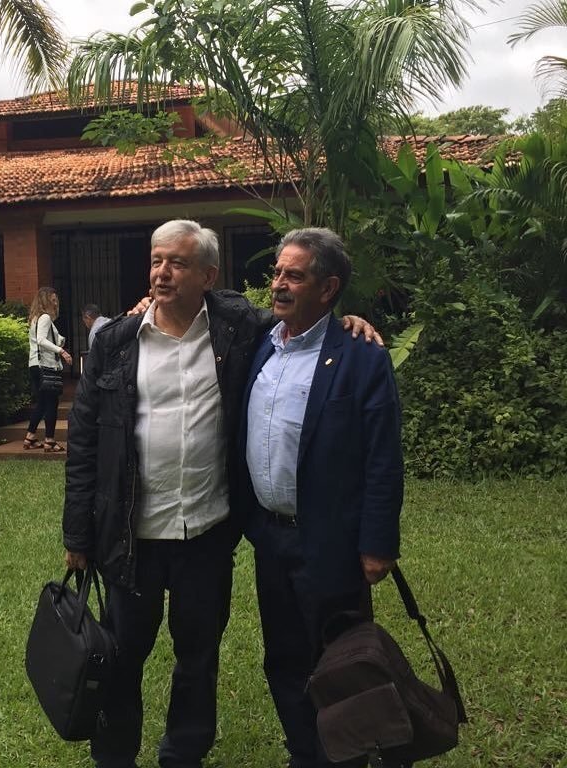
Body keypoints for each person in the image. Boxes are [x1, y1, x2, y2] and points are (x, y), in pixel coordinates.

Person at [62, 219, 378, 768]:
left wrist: (345, 321)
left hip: (206, 534)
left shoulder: (238, 328)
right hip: (130, 538)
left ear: (208, 276)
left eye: (177, 263)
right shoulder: (114, 342)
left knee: (198, 656)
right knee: (121, 654)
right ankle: (114, 756)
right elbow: (83, 444)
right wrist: (77, 534)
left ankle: (183, 753)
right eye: (157, 260)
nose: (162, 272)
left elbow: (302, 318)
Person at [239, 227, 404, 768]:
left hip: (332, 541)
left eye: (294, 275)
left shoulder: (360, 356)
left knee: (340, 660)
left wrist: (377, 544)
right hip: (270, 537)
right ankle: (304, 752)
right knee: (283, 658)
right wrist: (145, 304)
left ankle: (348, 755)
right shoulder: (260, 344)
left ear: (328, 288)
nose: (279, 284)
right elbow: (208, 306)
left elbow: (383, 458)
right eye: (277, 273)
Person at [25, 287, 72, 453]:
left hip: (35, 365)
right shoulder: (44, 318)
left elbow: (42, 340)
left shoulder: (36, 318)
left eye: (56, 300)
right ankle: (49, 441)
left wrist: (59, 340)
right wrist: (61, 351)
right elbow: (41, 340)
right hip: (45, 365)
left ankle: (30, 436)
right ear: (45, 301)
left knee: (42, 403)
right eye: (53, 300)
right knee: (51, 403)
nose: (56, 303)